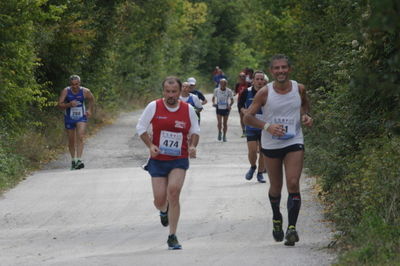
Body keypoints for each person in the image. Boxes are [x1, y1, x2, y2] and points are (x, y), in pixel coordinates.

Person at [243, 54, 313, 246]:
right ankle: (276, 218)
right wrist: (267, 127)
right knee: (275, 187)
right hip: (271, 143)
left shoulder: (299, 89)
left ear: (289, 69)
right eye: (277, 68)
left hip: (294, 140)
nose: (281, 71)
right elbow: (247, 118)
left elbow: (304, 105)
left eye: (284, 67)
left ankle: (292, 228)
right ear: (271, 72)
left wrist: (305, 116)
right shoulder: (264, 93)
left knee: (292, 182)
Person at [136, 76, 200, 250]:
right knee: (159, 200)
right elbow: (140, 128)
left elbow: (195, 130)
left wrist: (193, 146)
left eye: (174, 92)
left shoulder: (188, 109)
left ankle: (172, 235)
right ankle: (163, 210)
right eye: (167, 91)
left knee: (174, 192)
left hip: (179, 158)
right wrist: (150, 146)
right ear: (163, 91)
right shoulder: (153, 106)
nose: (171, 95)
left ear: (181, 92)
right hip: (158, 160)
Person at [58, 75, 95, 170]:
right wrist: (69, 104)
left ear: (80, 83)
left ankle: (79, 160)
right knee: (71, 140)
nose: (74, 86)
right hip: (69, 117)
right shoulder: (66, 91)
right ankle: (73, 160)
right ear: (70, 84)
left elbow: (91, 99)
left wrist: (90, 110)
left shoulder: (85, 91)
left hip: (81, 117)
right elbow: (60, 105)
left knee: (81, 136)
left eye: (76, 84)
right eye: (72, 84)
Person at [238, 71, 267, 183]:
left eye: (261, 79)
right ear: (253, 80)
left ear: (264, 81)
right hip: (251, 125)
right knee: (252, 150)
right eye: (257, 79)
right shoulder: (247, 92)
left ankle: (260, 173)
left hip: (264, 125)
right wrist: (245, 111)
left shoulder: (268, 92)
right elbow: (240, 105)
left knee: (263, 151)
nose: (259, 81)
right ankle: (253, 166)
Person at [235, 72, 251, 137]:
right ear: (239, 78)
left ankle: (249, 130)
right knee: (241, 117)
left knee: (248, 116)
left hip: (248, 102)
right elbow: (236, 92)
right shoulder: (237, 85)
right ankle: (244, 131)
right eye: (241, 76)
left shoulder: (249, 84)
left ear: (245, 77)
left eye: (243, 76)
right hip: (240, 102)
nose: (242, 78)